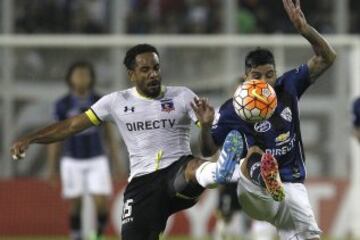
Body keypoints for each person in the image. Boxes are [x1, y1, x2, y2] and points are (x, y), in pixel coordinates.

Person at [10, 44, 238, 240]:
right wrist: (31, 138)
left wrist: (207, 125)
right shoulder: (115, 102)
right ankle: (223, 171)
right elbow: (70, 126)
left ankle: (223, 172)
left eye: (156, 68)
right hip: (143, 185)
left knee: (195, 166)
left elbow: (209, 149)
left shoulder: (183, 96)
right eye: (145, 69)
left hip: (177, 174)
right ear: (132, 74)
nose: (153, 74)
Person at [193, 0, 336, 239]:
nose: (264, 81)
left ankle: (268, 176)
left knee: (309, 236)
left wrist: (305, 30)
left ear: (276, 75)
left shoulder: (288, 86)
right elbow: (207, 149)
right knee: (254, 153)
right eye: (256, 76)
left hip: (291, 185)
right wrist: (206, 126)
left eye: (269, 75)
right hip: (253, 190)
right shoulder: (231, 110)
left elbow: (327, 57)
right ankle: (260, 172)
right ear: (245, 77)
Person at [46, 61, 122, 240]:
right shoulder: (62, 105)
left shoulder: (99, 101)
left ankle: (98, 235)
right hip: (71, 160)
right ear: (70, 79)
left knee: (101, 203)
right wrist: (52, 167)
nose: (81, 78)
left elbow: (109, 136)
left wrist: (117, 162)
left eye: (85, 74)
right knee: (76, 204)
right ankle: (76, 236)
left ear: (91, 78)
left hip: (97, 159)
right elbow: (56, 137)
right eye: (78, 74)